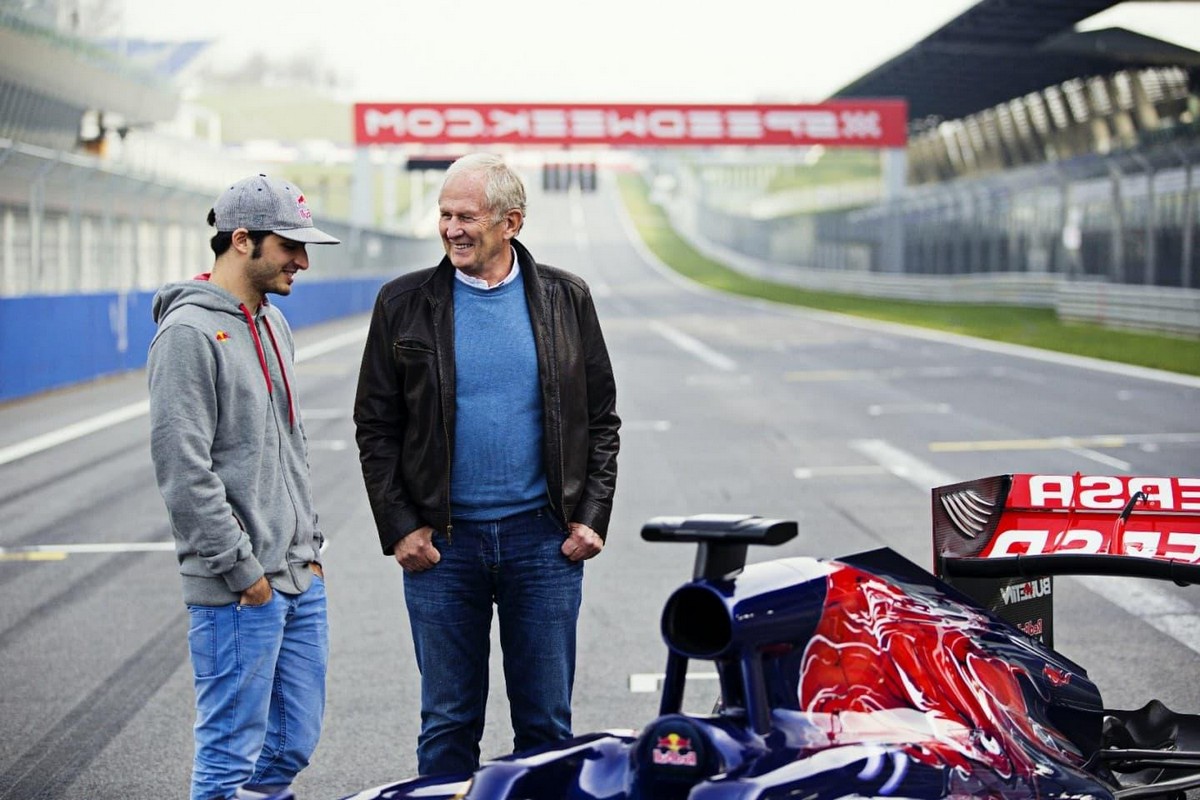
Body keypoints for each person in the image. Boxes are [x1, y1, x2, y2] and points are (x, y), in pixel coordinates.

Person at [353, 153, 620, 776]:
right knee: (447, 725)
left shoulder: (566, 298)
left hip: (543, 542)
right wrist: (400, 526)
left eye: (466, 216)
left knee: (547, 726)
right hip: (443, 548)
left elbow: (601, 419)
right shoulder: (402, 303)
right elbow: (376, 425)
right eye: (444, 215)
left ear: (512, 223)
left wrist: (591, 516)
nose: (451, 229)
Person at [147, 173, 340, 800]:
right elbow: (184, 469)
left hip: (297, 573)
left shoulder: (274, 323)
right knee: (230, 757)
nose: (303, 262)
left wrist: (307, 545)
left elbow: (292, 443)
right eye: (291, 246)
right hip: (241, 588)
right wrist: (243, 571)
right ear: (241, 241)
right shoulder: (188, 334)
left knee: (290, 744)